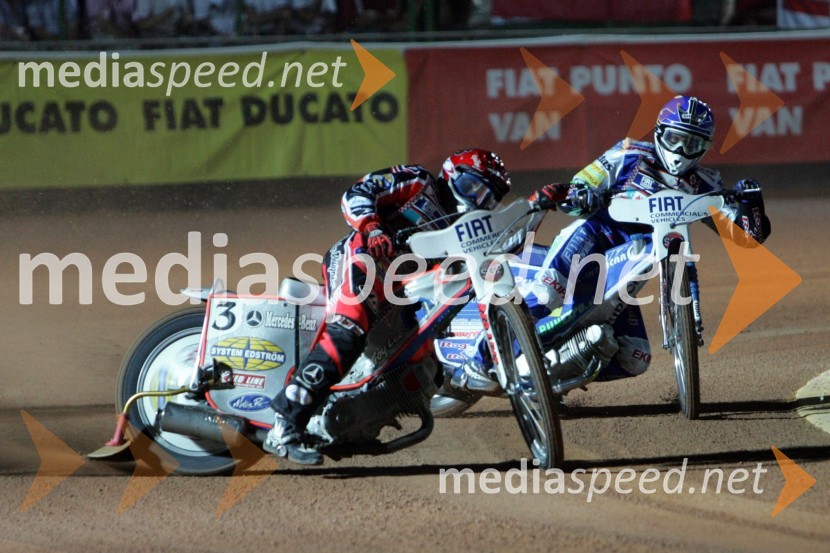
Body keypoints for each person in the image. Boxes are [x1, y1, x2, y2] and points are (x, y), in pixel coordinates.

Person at [264, 148, 515, 465]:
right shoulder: (419, 181)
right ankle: (285, 423)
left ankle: (348, 423)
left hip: (398, 293)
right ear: (452, 175)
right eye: (474, 189)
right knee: (347, 336)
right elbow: (359, 191)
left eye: (489, 199)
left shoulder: (465, 231)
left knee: (422, 371)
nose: (478, 201)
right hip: (361, 260)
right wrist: (372, 226)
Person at [519, 95, 771, 383]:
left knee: (634, 358)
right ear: (659, 133)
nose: (681, 151)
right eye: (676, 139)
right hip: (594, 238)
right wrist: (583, 193)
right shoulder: (629, 152)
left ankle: (550, 378)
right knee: (544, 295)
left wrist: (751, 204)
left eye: (693, 144)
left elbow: (746, 239)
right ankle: (505, 351)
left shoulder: (706, 183)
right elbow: (576, 189)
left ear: (706, 147)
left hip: (635, 263)